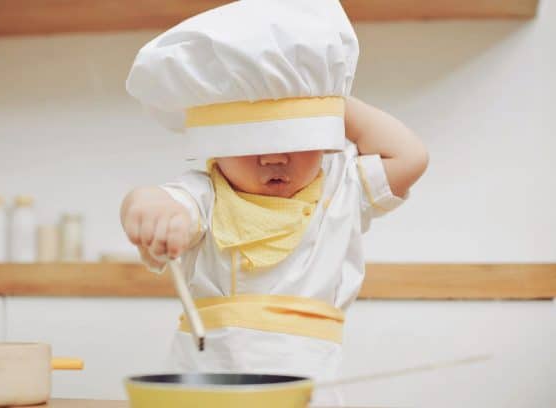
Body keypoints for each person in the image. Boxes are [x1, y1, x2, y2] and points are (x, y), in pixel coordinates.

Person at [120, 0, 428, 404]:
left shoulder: (342, 187)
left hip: (308, 386)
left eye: (295, 139)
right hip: (206, 382)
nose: (274, 157)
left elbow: (411, 157)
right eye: (248, 142)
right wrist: (146, 209)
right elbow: (157, 200)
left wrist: (327, 98)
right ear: (214, 147)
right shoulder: (205, 193)